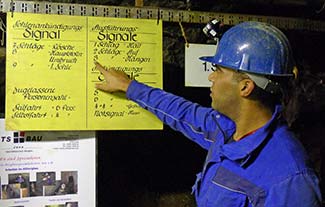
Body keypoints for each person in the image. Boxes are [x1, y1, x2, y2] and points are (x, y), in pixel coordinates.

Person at [95, 21, 322, 206]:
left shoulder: (291, 180)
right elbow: (181, 113)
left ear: (245, 87)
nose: (211, 77)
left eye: (218, 70)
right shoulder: (225, 129)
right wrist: (129, 87)